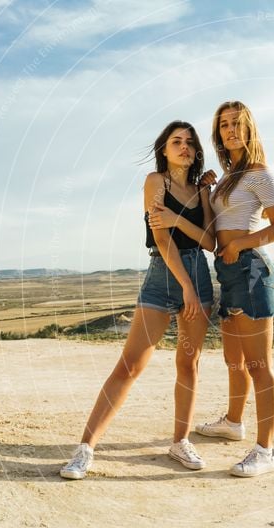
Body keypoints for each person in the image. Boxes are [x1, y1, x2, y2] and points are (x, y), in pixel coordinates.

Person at [60, 121, 215, 479]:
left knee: (188, 364)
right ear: (164, 149)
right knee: (130, 365)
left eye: (190, 142)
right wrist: (186, 287)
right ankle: (85, 448)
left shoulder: (201, 189)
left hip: (200, 274)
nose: (184, 147)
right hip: (164, 275)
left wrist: (180, 216)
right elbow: (162, 239)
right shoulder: (154, 182)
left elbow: (209, 242)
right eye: (176, 141)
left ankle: (180, 441)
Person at [192, 101, 274, 477]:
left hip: (251, 270)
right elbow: (214, 229)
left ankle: (266, 450)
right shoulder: (230, 175)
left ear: (248, 129)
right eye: (224, 125)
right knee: (234, 359)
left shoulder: (258, 173)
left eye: (236, 124)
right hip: (229, 272)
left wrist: (237, 246)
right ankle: (233, 423)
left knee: (259, 365)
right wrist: (206, 190)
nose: (230, 130)